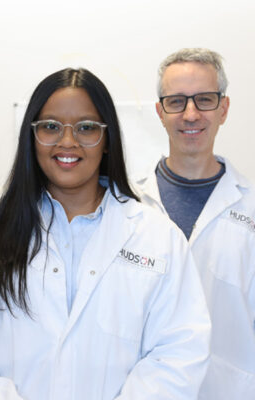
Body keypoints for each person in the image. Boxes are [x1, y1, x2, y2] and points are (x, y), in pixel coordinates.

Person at [0, 68, 210, 400]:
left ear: (107, 141)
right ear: (31, 137)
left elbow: (178, 351)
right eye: (50, 127)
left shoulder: (158, 238)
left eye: (87, 128)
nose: (67, 141)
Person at [134, 48, 255, 399]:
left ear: (224, 109)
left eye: (204, 100)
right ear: (160, 112)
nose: (190, 114)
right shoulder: (125, 204)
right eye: (176, 101)